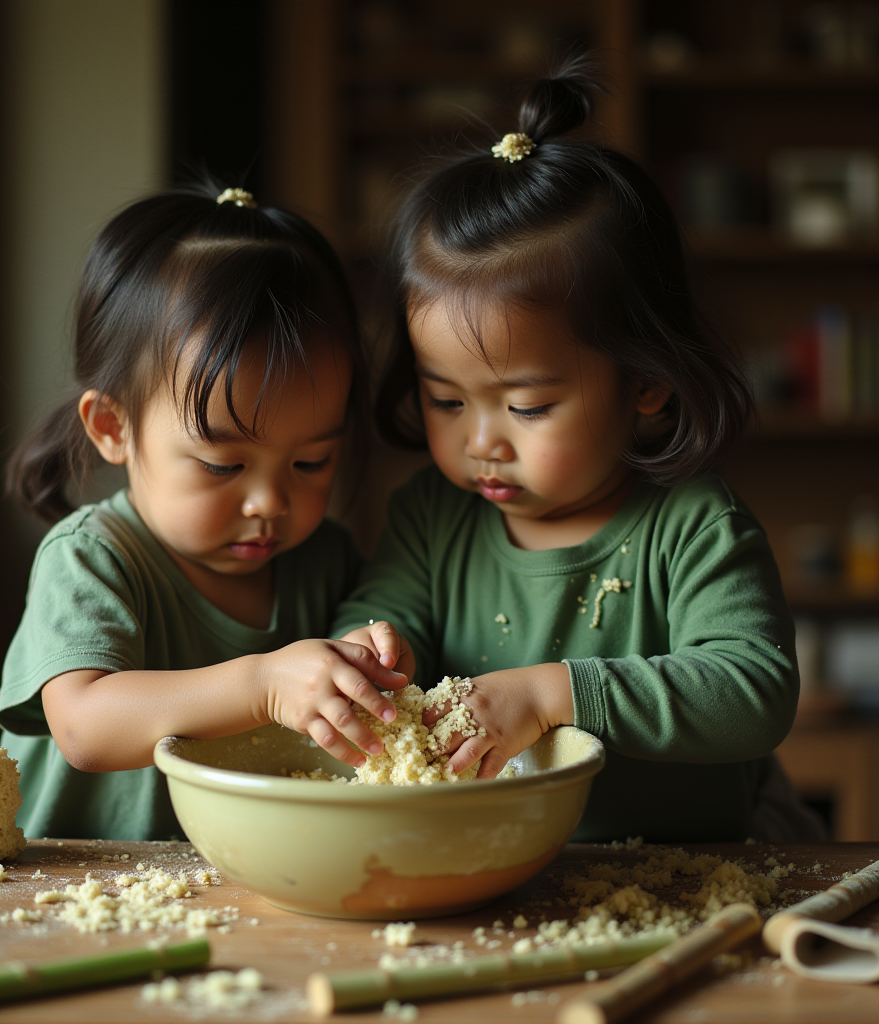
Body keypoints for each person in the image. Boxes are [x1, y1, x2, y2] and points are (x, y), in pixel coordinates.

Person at [335, 60, 824, 842]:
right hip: (505, 868)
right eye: (446, 400)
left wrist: (553, 694)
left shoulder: (693, 527)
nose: (481, 440)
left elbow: (753, 690)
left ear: (646, 384)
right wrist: (367, 650)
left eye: (526, 405)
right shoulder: (431, 516)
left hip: (688, 870)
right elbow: (388, 614)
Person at [0, 180, 407, 840]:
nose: (270, 502)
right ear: (113, 427)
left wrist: (361, 661)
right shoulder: (92, 559)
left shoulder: (322, 560)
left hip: (238, 886)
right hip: (74, 889)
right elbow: (84, 727)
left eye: (311, 463)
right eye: (223, 464)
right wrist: (264, 684)